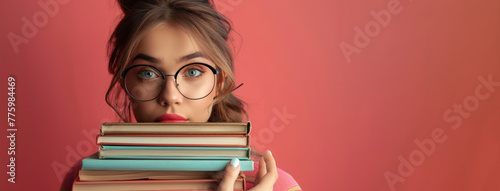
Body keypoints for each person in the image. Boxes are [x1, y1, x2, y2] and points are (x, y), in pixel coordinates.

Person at [61, 0, 301, 190]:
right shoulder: (85, 180)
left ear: (219, 83)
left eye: (193, 71)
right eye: (147, 73)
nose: (170, 96)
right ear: (125, 82)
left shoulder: (272, 186)